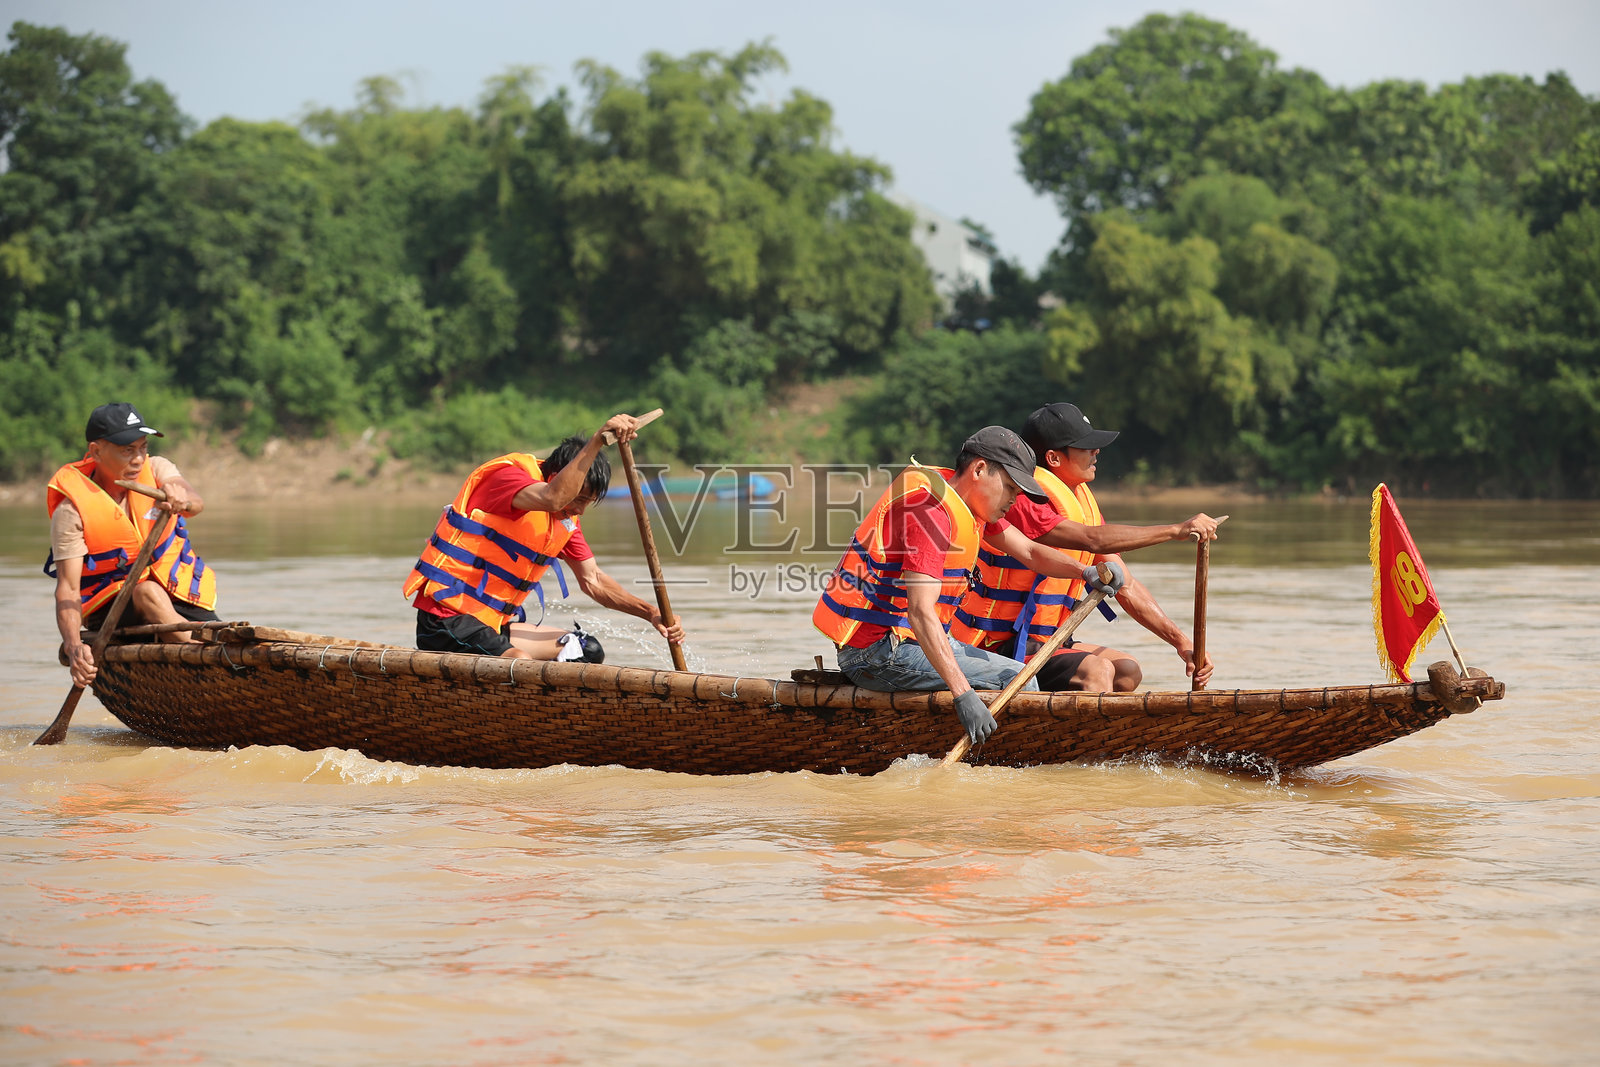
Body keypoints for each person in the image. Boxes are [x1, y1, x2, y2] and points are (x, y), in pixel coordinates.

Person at [812, 426, 1127, 746]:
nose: (1014, 500)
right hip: (880, 653)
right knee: (1018, 682)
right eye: (1009, 487)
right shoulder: (930, 514)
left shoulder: (967, 506)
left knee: (1019, 676)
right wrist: (963, 694)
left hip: (912, 643)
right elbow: (920, 612)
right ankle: (1007, 763)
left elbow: (1030, 552)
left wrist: (1086, 571)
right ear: (979, 469)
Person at [953, 402, 1217, 692]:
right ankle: (1080, 739)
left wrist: (1182, 643)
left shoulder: (1080, 503)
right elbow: (1092, 540)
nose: (1096, 452)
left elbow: (1126, 585)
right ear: (1053, 458)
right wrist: (1175, 530)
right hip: (999, 642)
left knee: (1127, 672)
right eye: (1085, 446)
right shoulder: (1021, 499)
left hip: (1049, 639)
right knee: (1097, 671)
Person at [403, 414, 687, 662]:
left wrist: (650, 613)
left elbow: (594, 581)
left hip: (491, 625)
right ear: (556, 476)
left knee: (584, 649)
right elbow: (553, 498)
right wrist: (597, 441)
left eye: (589, 503)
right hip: (445, 618)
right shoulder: (506, 479)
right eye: (579, 499)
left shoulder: (565, 521)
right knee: (519, 662)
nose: (580, 511)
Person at [47, 403, 220, 688]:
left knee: (163, 598)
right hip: (113, 610)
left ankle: (212, 652)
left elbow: (195, 503)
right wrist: (74, 646)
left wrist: (180, 497)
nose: (139, 459)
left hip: (175, 590)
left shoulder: (158, 468)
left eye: (142, 447)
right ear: (96, 451)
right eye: (127, 450)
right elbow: (68, 588)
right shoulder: (72, 511)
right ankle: (211, 663)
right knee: (147, 592)